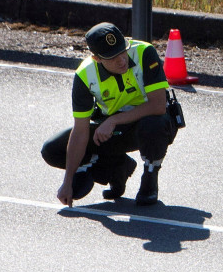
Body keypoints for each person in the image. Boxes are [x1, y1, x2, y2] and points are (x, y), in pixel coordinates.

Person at [41, 22, 177, 207]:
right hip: (111, 131)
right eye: (113, 57)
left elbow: (158, 105)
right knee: (51, 150)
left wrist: (114, 120)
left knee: (155, 123)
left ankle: (150, 177)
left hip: (146, 124)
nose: (122, 60)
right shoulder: (84, 75)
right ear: (97, 58)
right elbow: (80, 130)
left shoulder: (145, 52)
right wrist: (67, 182)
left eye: (123, 51)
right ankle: (116, 168)